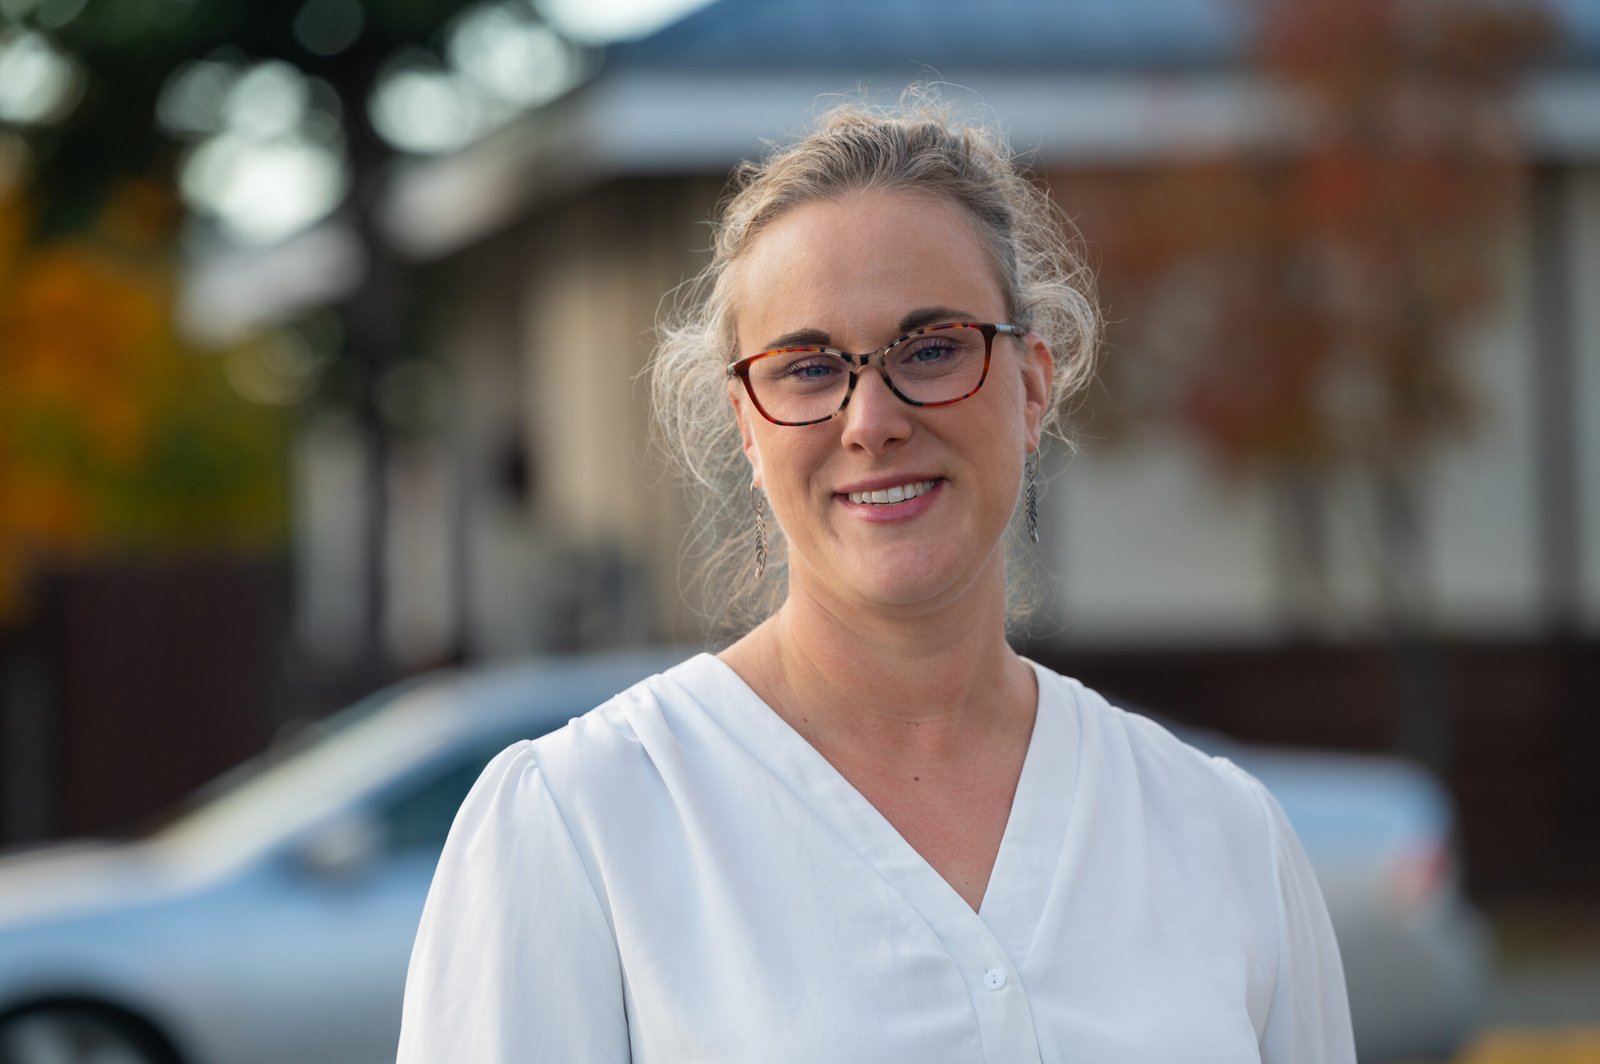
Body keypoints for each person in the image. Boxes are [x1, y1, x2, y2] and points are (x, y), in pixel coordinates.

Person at [397, 92, 1356, 1063]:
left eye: (931, 348)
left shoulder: (1218, 833)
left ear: (1030, 387)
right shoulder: (585, 822)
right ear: (745, 424)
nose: (870, 419)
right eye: (807, 367)